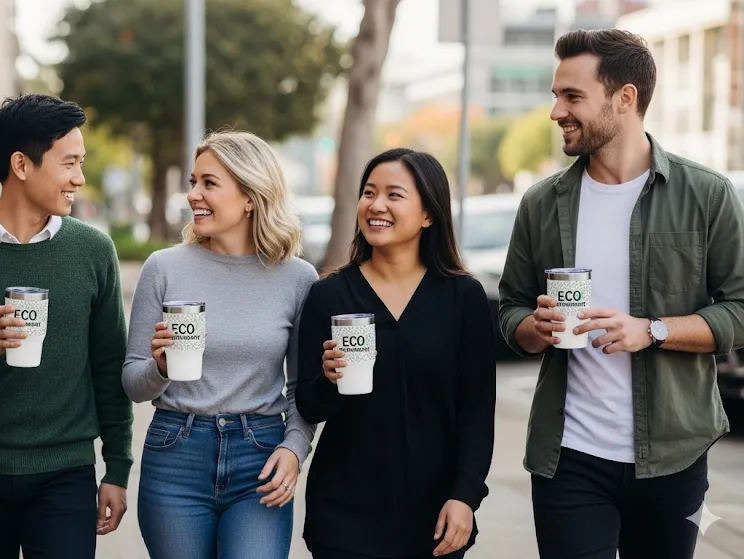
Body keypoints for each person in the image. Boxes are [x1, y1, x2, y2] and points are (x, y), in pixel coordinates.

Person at [497, 28, 744, 559]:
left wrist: (651, 331)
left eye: (572, 96)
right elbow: (510, 309)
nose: (556, 110)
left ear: (624, 98)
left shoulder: (706, 195)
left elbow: (740, 311)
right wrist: (531, 328)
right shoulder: (541, 204)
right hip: (570, 458)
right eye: (556, 94)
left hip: (675, 458)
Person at [0, 94, 134, 558]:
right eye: (69, 163)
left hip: (65, 474)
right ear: (21, 164)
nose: (80, 178)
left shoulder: (93, 251)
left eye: (82, 163)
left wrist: (116, 468)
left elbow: (108, 366)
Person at [122, 130, 319, 558]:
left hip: (261, 460)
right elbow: (133, 384)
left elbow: (303, 387)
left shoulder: (298, 278)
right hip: (176, 456)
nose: (193, 194)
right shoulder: (164, 268)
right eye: (193, 182)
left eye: (209, 183)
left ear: (250, 195)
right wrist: (160, 368)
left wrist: (294, 449)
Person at [294, 147, 496, 559]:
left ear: (428, 214)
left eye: (394, 194)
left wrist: (466, 496)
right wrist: (329, 380)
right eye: (368, 193)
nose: (376, 205)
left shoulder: (463, 297)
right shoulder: (327, 294)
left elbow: (477, 409)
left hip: (436, 513)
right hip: (345, 512)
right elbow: (309, 404)